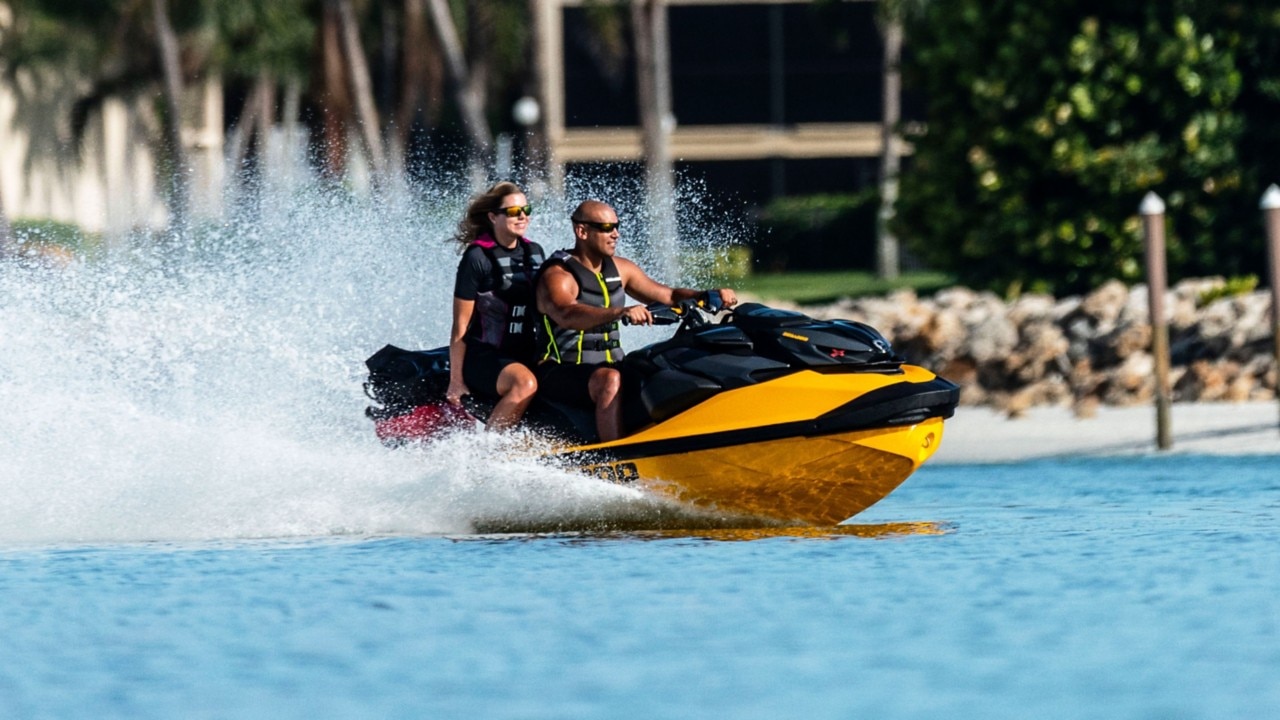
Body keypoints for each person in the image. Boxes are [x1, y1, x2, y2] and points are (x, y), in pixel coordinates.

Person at [535, 200, 738, 442]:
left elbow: (669, 296)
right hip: (559, 372)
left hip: (611, 365)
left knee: (659, 366)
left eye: (617, 226)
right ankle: (615, 455)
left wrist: (705, 295)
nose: (616, 234)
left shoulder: (622, 269)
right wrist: (619, 312)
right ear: (582, 231)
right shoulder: (557, 275)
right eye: (607, 227)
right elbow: (566, 314)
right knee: (609, 380)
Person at [446, 181, 546, 430]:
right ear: (493, 217)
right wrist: (456, 381)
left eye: (526, 210)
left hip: (526, 352)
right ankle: (491, 447)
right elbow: (460, 326)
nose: (522, 216)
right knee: (525, 384)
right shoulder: (477, 258)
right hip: (485, 356)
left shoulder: (535, 252)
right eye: (513, 211)